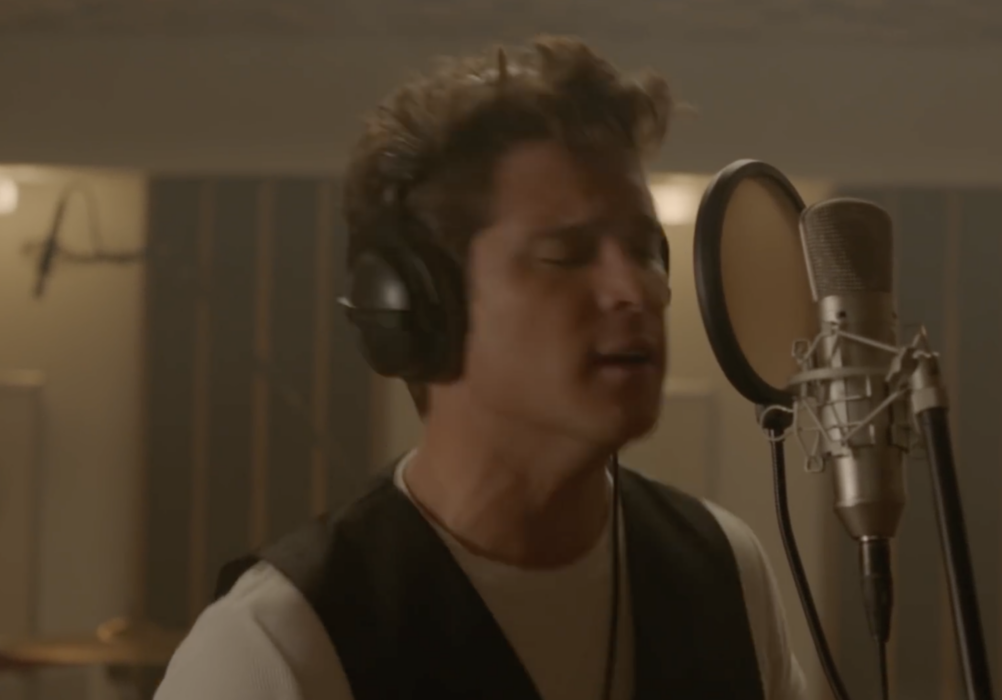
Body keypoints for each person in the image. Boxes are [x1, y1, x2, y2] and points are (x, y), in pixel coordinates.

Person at [154, 36, 807, 700]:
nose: (634, 290)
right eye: (566, 254)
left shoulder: (723, 568)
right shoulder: (275, 647)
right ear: (421, 305)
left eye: (643, 249)